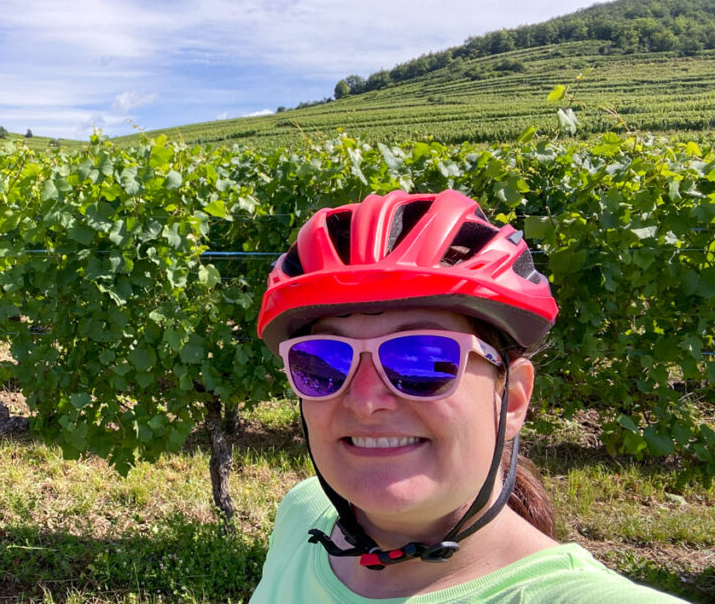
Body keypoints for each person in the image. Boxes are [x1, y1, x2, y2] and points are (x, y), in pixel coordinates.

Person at [250, 190, 689, 603]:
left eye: (421, 360)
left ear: (512, 399)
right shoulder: (303, 510)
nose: (366, 401)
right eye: (323, 361)